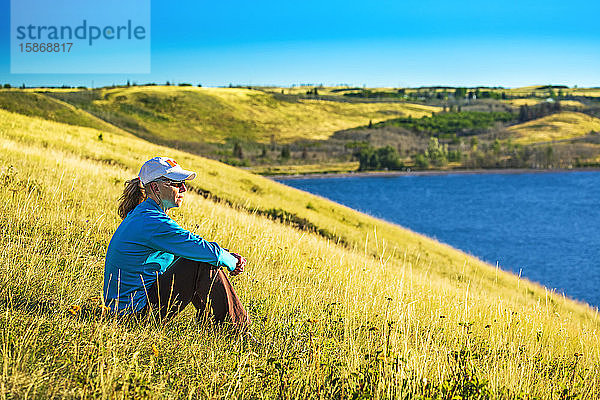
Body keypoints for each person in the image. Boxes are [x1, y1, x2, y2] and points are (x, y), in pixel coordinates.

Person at [103, 156, 250, 330]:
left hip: (125, 311)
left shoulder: (143, 214)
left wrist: (223, 255)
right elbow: (204, 252)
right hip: (133, 317)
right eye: (176, 183)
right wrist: (232, 262)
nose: (184, 188)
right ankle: (237, 332)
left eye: (183, 183)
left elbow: (190, 250)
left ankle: (213, 325)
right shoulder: (152, 222)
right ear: (155, 187)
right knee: (201, 262)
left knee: (200, 258)